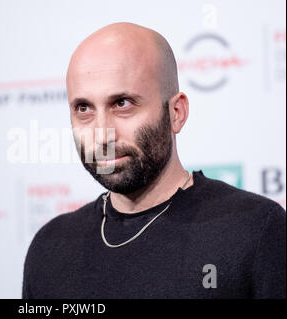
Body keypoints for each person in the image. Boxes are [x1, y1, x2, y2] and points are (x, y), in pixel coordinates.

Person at [22, 22, 286, 298]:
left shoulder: (255, 230)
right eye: (84, 108)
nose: (102, 136)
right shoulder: (50, 248)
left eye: (122, 103)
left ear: (177, 113)